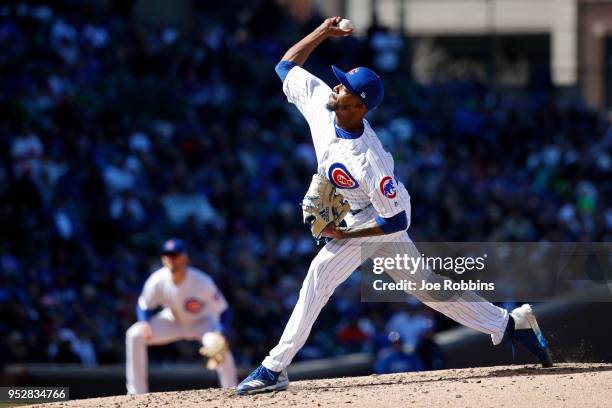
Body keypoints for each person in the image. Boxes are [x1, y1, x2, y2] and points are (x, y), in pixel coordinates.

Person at [236, 16, 553, 395]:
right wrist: (323, 31)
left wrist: (348, 232)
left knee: (319, 277)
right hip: (365, 213)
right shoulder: (324, 104)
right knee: (427, 288)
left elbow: (397, 219)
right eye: (341, 81)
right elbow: (285, 65)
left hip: (379, 217)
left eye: (346, 87)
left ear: (359, 105)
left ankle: (274, 368)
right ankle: (509, 324)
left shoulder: (369, 160)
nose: (337, 86)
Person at [126, 239, 237, 394]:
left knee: (218, 345)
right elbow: (144, 305)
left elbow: (224, 310)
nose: (170, 258)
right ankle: (135, 393)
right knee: (135, 334)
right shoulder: (157, 280)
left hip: (202, 323)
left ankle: (232, 391)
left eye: (175, 254)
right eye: (167, 255)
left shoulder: (201, 281)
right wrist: (144, 321)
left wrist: (221, 332)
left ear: (185, 257)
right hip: (172, 321)